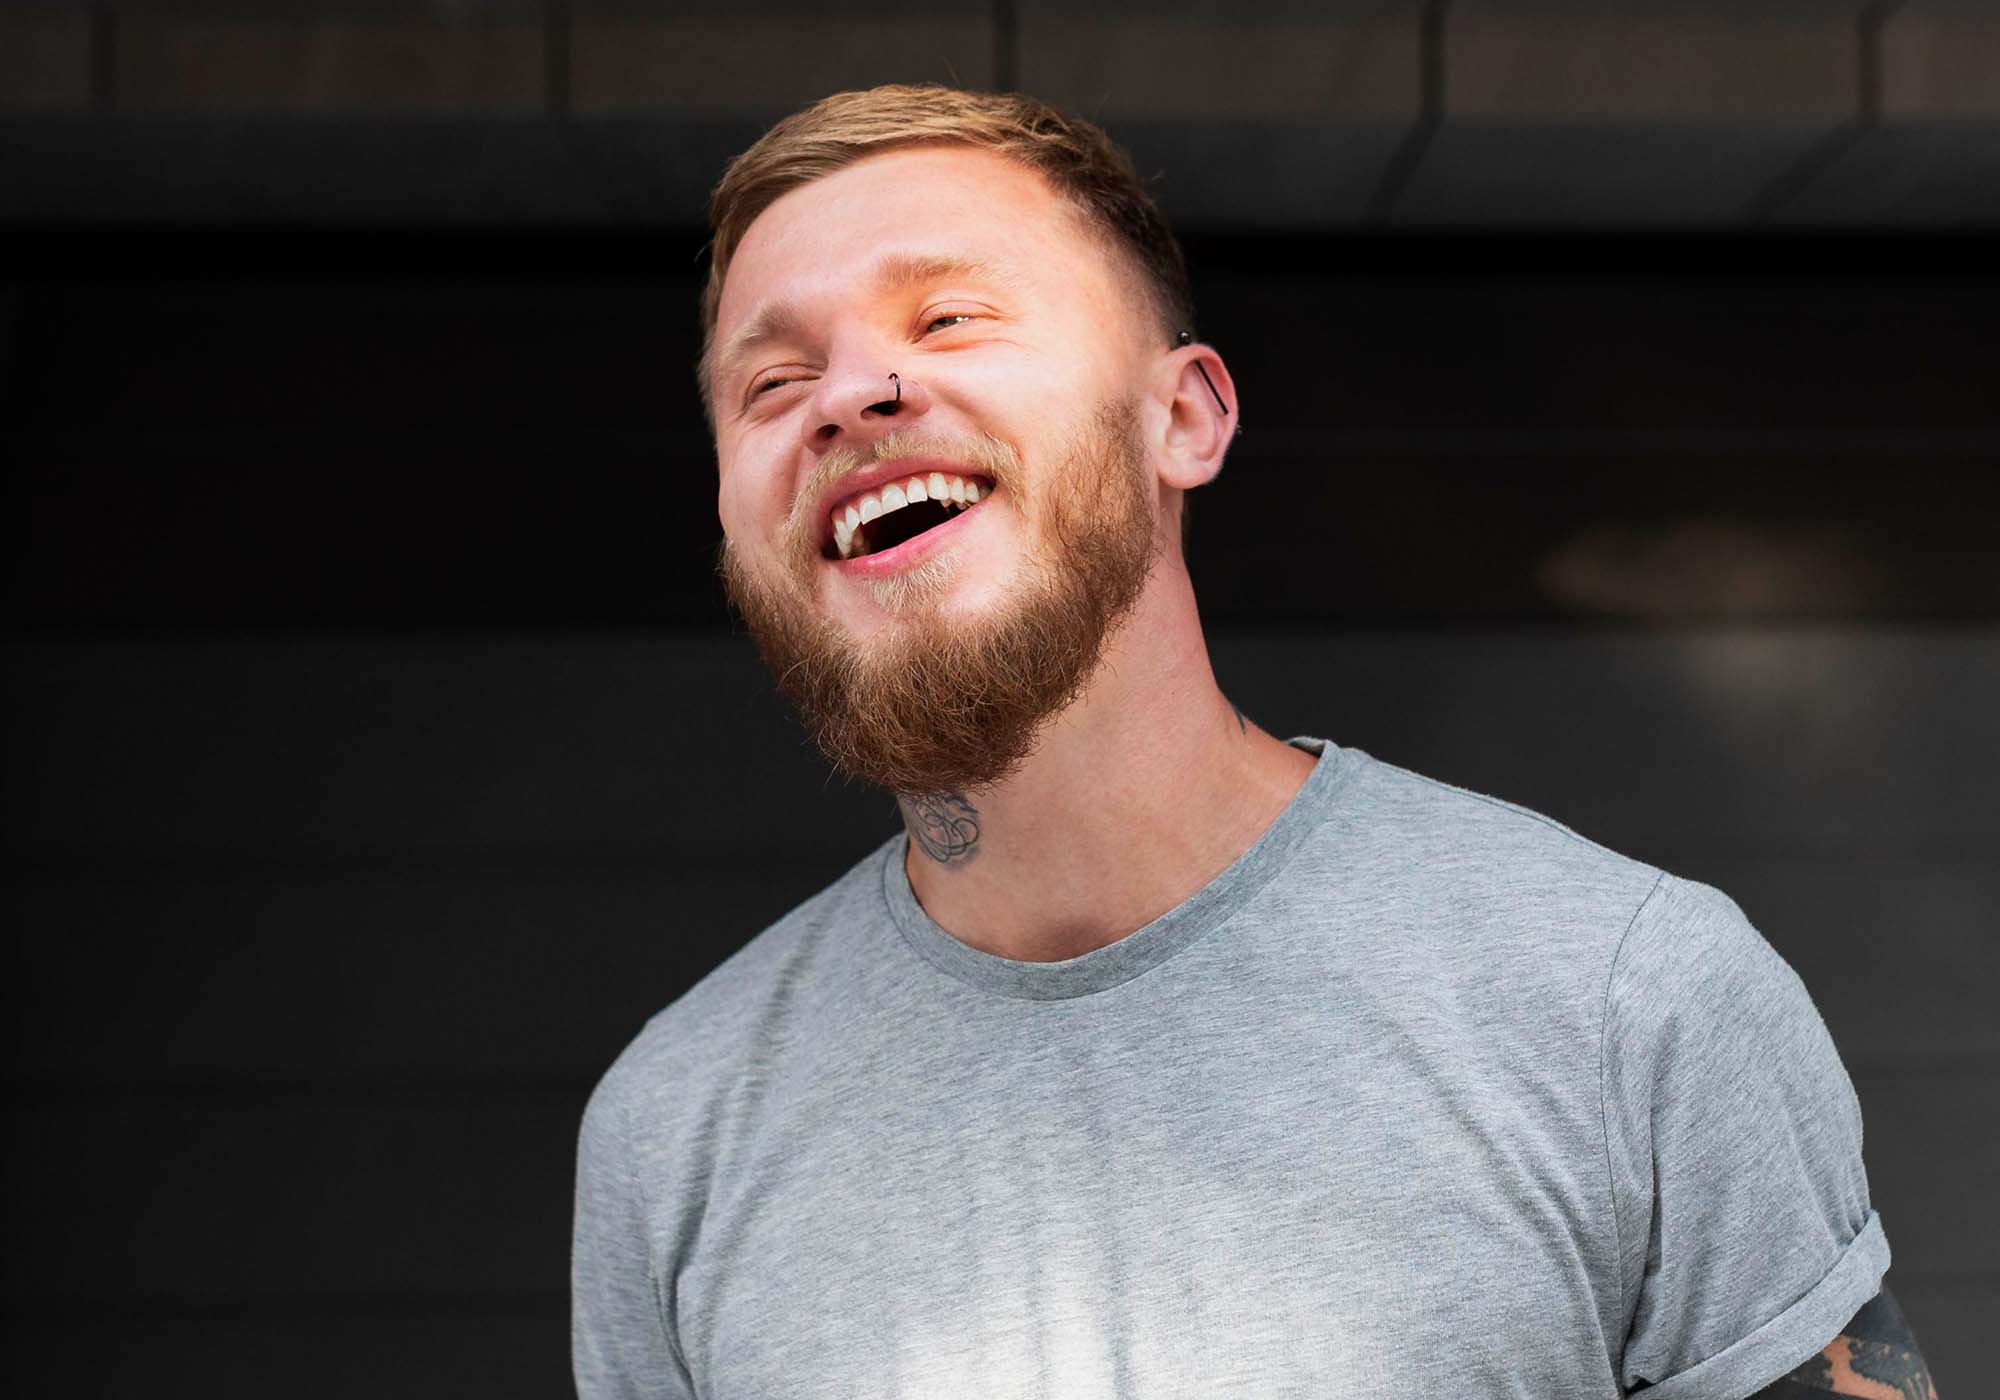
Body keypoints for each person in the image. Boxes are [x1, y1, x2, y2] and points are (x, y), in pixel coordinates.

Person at [571, 84, 1938, 1399]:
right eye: (773, 382)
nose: (849, 393)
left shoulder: (1635, 1005)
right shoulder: (672, 1129)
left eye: (948, 317)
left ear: (1184, 417)